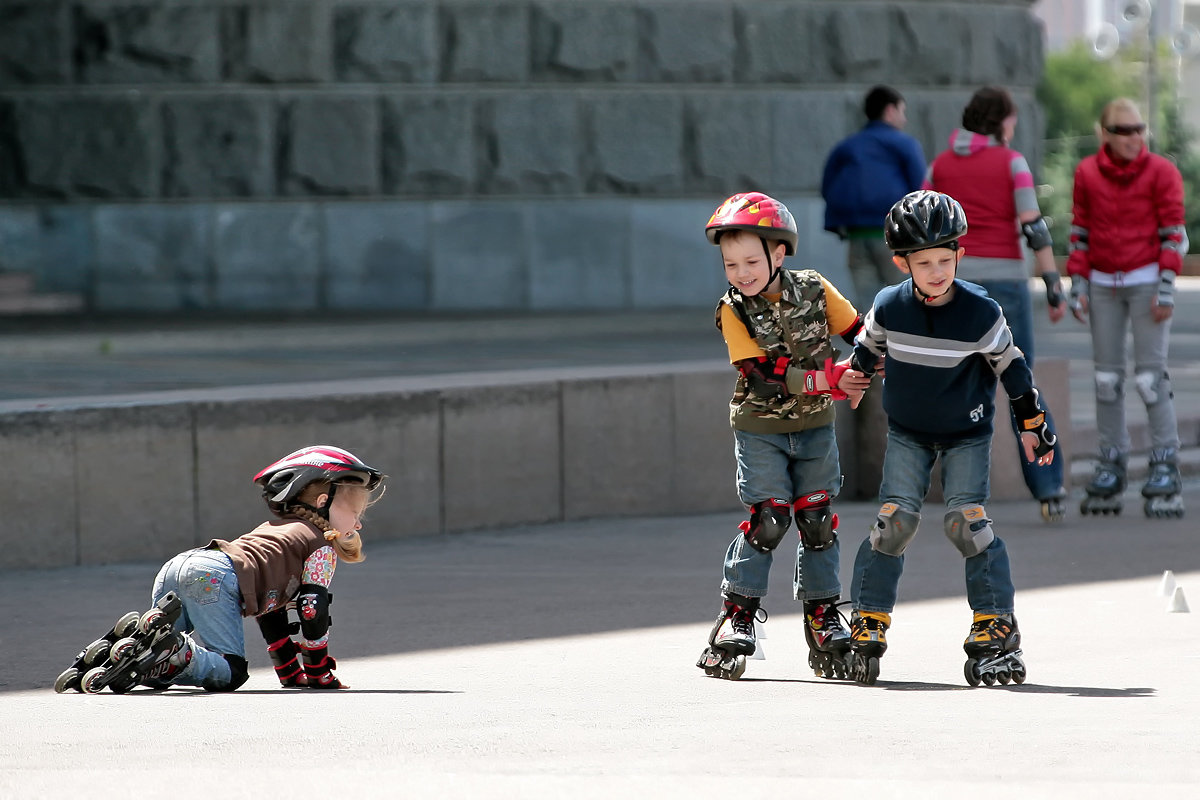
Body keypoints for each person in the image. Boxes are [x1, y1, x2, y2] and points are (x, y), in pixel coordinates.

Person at [846, 190, 1058, 686]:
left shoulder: (979, 313)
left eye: (946, 259)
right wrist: (853, 377)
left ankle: (994, 620)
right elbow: (866, 348)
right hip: (908, 432)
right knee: (893, 522)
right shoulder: (888, 306)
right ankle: (868, 617)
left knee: (967, 523)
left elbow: (1013, 370)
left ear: (960, 255)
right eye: (924, 263)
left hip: (966, 432)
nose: (938, 272)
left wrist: (1034, 427)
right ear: (903, 263)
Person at [695, 191, 871, 681]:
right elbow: (764, 375)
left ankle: (821, 616)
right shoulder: (732, 309)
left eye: (751, 260)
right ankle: (737, 617)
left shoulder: (815, 289)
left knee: (816, 520)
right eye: (730, 263)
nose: (741, 273)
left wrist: (863, 369)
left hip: (815, 427)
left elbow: (861, 334)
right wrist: (831, 379)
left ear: (779, 253)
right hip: (761, 429)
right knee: (770, 518)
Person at [923, 85, 1068, 522]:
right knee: (1020, 386)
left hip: (953, 285)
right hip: (1005, 284)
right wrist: (1053, 283)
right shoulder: (1012, 163)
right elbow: (1034, 228)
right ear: (1002, 122)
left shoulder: (939, 166)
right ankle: (1049, 490)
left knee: (963, 389)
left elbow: (924, 224)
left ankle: (963, 497)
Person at [143, 445, 385, 691]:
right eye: (355, 512)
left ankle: (128, 651)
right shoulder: (320, 544)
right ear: (323, 502)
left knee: (154, 663)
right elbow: (312, 607)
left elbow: (271, 608)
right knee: (231, 671)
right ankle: (182, 656)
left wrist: (289, 670)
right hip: (211, 577)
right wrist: (318, 672)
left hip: (183, 563)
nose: (357, 523)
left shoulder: (273, 529)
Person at [1067, 99, 1188, 519]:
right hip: (1102, 285)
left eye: (1139, 129)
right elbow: (1079, 232)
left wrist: (1167, 287)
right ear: (1104, 134)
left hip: (1147, 281)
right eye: (1123, 130)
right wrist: (1078, 285)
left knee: (1151, 378)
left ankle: (1164, 462)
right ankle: (1111, 461)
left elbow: (1175, 233)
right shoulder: (1086, 173)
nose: (1134, 137)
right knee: (1106, 380)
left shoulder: (1162, 172)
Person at [821, 85, 927, 309]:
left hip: (856, 234)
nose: (904, 119)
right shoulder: (904, 144)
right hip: (896, 235)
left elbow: (827, 185)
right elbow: (921, 190)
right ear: (890, 111)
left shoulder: (847, 146)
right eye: (902, 111)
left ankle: (873, 343)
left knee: (868, 304)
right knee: (907, 299)